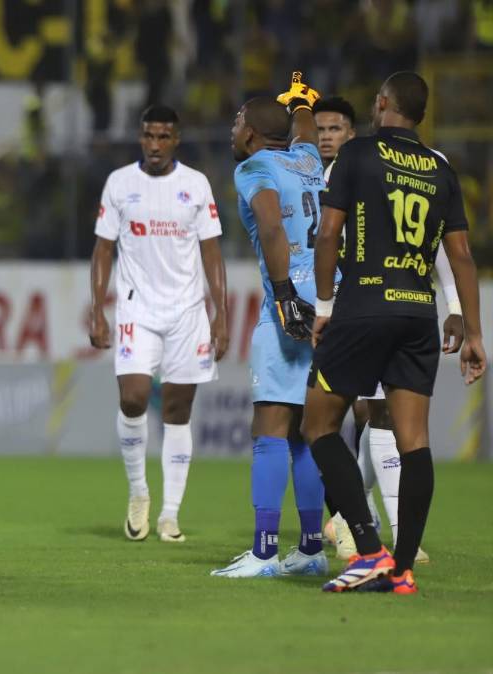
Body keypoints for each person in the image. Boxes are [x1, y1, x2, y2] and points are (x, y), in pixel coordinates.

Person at [303, 72, 485, 594]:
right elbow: (463, 256)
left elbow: (331, 232)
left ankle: (367, 547)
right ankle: (401, 570)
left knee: (317, 425)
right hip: (416, 315)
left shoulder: (356, 155)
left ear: (381, 104)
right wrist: (473, 331)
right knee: (414, 441)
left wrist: (323, 305)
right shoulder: (440, 169)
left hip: (362, 307)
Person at [89, 104, 228, 543]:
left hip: (187, 311)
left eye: (163, 136)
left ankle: (170, 514)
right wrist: (97, 308)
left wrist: (220, 312)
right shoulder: (120, 184)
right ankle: (138, 493)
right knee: (133, 399)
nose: (154, 145)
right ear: (140, 138)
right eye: (148, 136)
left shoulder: (196, 185)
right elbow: (103, 250)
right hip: (136, 308)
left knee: (176, 411)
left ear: (176, 140)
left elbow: (212, 252)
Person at [210, 80, 329, 578]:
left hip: (291, 304)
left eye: (238, 121)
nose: (233, 128)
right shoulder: (308, 158)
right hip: (330, 300)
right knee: (308, 432)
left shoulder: (252, 167)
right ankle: (310, 548)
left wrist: (283, 296)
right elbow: (301, 127)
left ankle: (262, 553)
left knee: (271, 430)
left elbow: (271, 223)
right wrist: (300, 100)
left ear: (254, 134)